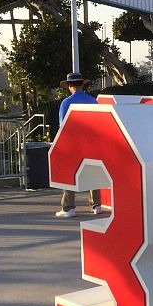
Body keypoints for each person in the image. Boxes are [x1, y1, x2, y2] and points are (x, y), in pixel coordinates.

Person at [55, 72, 102, 217]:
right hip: (92, 142)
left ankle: (68, 208)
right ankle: (96, 205)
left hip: (74, 143)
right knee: (93, 172)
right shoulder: (93, 101)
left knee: (69, 174)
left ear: (69, 86)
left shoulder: (66, 103)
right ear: (82, 84)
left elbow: (63, 126)